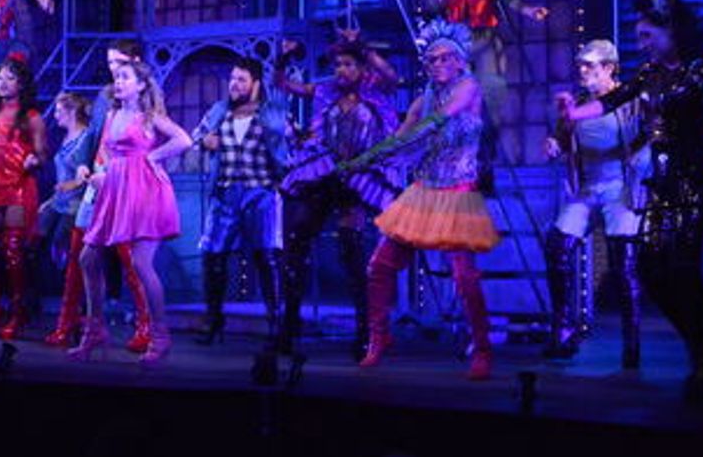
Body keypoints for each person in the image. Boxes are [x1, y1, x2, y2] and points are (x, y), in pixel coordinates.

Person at [558, 0, 703, 401]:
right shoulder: (648, 74)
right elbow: (610, 101)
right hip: (660, 183)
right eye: (639, 36)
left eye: (647, 36)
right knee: (650, 269)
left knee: (682, 267)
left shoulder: (700, 69)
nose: (641, 44)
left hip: (693, 180)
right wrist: (573, 114)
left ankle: (700, 355)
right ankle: (700, 344)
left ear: (671, 31)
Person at [344, 20, 501, 380]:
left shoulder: (469, 88)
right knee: (379, 266)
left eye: (445, 58)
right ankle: (378, 338)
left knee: (464, 276)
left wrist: (410, 135)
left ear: (460, 61)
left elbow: (440, 120)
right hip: (424, 190)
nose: (438, 64)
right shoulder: (422, 99)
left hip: (458, 191)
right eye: (431, 59)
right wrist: (363, 159)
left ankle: (482, 348)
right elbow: (400, 137)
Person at [273, 37, 401, 356]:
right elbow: (281, 83)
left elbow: (393, 78)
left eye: (348, 64)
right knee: (298, 238)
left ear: (360, 67)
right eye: (338, 64)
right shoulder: (325, 90)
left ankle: (364, 332)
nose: (341, 70)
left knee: (351, 246)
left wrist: (365, 49)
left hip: (358, 177)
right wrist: (283, 56)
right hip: (327, 173)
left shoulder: (374, 91)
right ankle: (289, 328)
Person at [68, 60, 193, 364]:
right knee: (88, 256)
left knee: (141, 263)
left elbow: (184, 140)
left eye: (126, 77)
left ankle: (160, 337)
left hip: (145, 192)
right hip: (115, 190)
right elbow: (113, 157)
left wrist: (154, 155)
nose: (119, 81)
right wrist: (101, 174)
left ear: (140, 85)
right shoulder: (111, 115)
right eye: (117, 77)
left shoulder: (148, 116)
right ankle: (94, 330)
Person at [542, 39, 649, 367]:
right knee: (558, 247)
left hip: (619, 187)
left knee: (624, 267)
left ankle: (632, 343)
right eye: (581, 65)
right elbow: (561, 138)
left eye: (590, 65)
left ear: (609, 68)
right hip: (587, 189)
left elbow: (649, 137)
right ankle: (563, 331)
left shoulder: (630, 101)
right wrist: (553, 144)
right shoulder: (578, 104)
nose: (583, 71)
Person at [191, 58, 290, 348]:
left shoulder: (270, 111)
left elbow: (289, 140)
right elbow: (198, 134)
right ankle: (213, 319)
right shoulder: (220, 111)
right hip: (225, 192)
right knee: (213, 256)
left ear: (255, 84)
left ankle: (276, 323)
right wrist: (204, 141)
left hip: (260, 192)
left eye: (241, 80)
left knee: (266, 257)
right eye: (232, 79)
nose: (234, 84)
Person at [427, 0, 548, 167]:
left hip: (485, 41)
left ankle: (485, 159)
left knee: (490, 98)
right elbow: (436, 12)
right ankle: (455, 155)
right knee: (453, 99)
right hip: (458, 46)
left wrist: (530, 11)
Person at [67, 38, 155, 352]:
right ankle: (90, 324)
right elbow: (94, 137)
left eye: (119, 65)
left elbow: (155, 144)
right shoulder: (107, 98)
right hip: (99, 183)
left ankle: (147, 326)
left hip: (126, 186)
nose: (114, 73)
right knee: (85, 254)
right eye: (110, 66)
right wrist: (82, 165)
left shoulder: (147, 103)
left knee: (131, 258)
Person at [0, 58, 48, 340]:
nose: (1, 82)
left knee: (13, 251)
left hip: (18, 188)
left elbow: (42, 155)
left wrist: (32, 160)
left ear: (22, 83)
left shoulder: (31, 117)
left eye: (9, 78)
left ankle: (17, 312)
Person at [40, 92, 92, 345]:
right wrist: (50, 199)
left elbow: (85, 176)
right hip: (59, 203)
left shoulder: (84, 139)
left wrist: (68, 185)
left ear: (71, 112)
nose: (56, 115)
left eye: (60, 110)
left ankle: (78, 313)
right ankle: (69, 309)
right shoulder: (66, 137)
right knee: (39, 244)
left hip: (74, 205)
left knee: (67, 254)